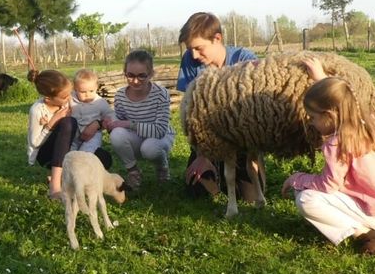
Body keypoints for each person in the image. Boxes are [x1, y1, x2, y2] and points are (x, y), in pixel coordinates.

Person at [281, 58, 375, 255]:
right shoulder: (366, 123)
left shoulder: (336, 143)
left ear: (330, 116)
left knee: (306, 198)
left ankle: (366, 234)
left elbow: (328, 185)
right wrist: (322, 79)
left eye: (313, 118)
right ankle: (368, 228)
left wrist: (297, 178)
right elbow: (348, 96)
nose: (311, 123)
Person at [176, 11, 261, 200]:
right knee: (196, 191)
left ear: (217, 38)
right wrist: (202, 154)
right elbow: (192, 114)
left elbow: (253, 115)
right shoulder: (190, 61)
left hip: (241, 141)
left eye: (199, 48)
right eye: (190, 49)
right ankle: (214, 169)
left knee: (250, 197)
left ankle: (246, 170)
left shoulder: (246, 60)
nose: (194, 54)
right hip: (207, 141)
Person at [103, 49, 175, 188]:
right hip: (137, 136)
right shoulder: (120, 96)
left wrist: (127, 124)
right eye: (130, 75)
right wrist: (111, 124)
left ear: (151, 74)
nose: (135, 81)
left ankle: (162, 166)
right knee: (117, 134)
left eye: (142, 75)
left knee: (150, 148)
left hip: (160, 137)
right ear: (125, 73)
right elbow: (120, 124)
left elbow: (159, 130)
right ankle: (133, 171)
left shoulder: (161, 94)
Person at [26, 69, 77, 200]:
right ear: (48, 99)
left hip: (68, 149)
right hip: (45, 155)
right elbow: (35, 142)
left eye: (69, 94)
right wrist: (52, 123)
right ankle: (54, 184)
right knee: (68, 123)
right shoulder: (37, 110)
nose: (69, 98)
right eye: (64, 97)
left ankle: (63, 175)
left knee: (104, 158)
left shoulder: (67, 102)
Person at [70, 68, 115, 169]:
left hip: (93, 135)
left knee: (87, 152)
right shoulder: (70, 99)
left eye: (91, 91)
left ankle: (83, 169)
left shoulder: (100, 102)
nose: (88, 95)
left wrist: (108, 121)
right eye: (83, 91)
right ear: (75, 89)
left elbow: (110, 113)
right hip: (74, 135)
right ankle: (68, 171)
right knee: (70, 154)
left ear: (96, 87)